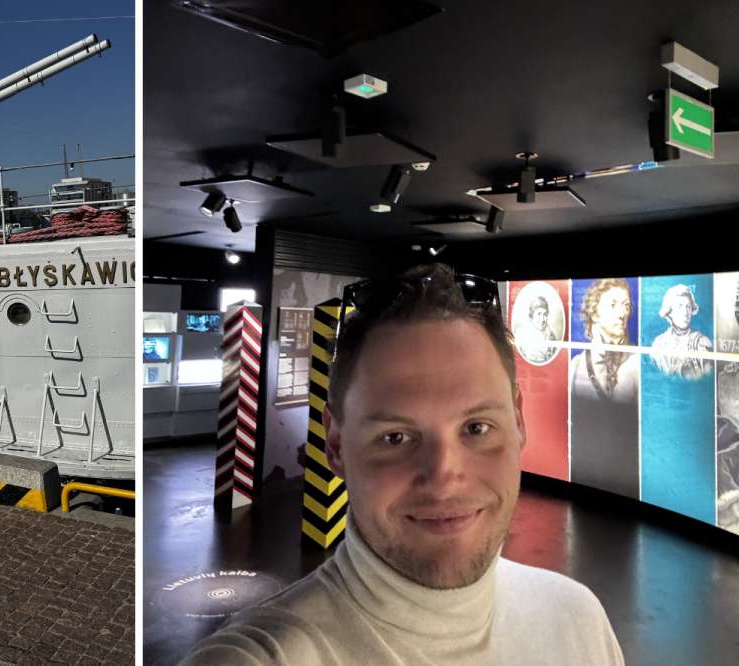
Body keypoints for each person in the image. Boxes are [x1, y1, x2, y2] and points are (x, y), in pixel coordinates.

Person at [183, 265, 623, 665]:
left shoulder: (578, 619)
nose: (444, 476)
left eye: (476, 428)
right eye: (395, 437)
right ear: (335, 445)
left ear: (519, 423)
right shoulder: (264, 656)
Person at [568, 278, 639, 499]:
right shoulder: (575, 367)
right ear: (594, 312)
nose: (622, 313)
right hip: (582, 482)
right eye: (613, 304)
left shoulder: (638, 365)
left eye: (626, 305)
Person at [650, 284, 712, 380]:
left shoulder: (701, 342)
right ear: (669, 312)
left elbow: (707, 377)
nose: (685, 312)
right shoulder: (659, 343)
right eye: (680, 306)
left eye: (688, 307)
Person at [513, 295, 557, 364]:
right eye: (539, 314)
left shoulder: (552, 337)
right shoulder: (521, 335)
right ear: (532, 315)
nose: (542, 319)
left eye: (545, 314)